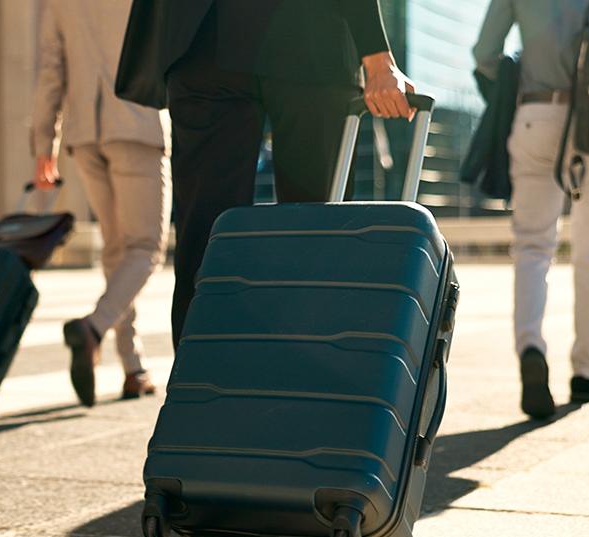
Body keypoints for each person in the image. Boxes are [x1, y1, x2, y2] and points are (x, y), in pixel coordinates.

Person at [115, 0, 416, 345]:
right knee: (316, 235)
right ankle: (311, 378)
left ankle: (201, 384)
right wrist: (378, 60)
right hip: (307, 40)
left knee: (207, 237)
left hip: (206, 40)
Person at [474, 0, 589, 419]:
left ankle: (531, 348)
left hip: (536, 112)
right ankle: (585, 374)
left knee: (532, 249)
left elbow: (484, 55)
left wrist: (519, 79)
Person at [32, 0, 172, 406]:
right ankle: (93, 328)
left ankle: (133, 367)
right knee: (144, 249)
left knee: (117, 251)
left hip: (85, 134)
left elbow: (50, 70)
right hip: (137, 126)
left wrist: (45, 144)